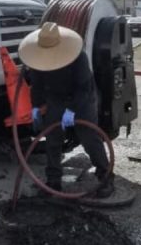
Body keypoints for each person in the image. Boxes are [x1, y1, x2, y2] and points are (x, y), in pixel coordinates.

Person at [18, 22, 114, 198]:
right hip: (56, 99)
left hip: (82, 99)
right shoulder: (37, 58)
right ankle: (53, 181)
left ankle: (105, 177)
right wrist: (36, 107)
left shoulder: (78, 57)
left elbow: (83, 88)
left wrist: (71, 111)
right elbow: (37, 86)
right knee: (53, 139)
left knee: (89, 139)